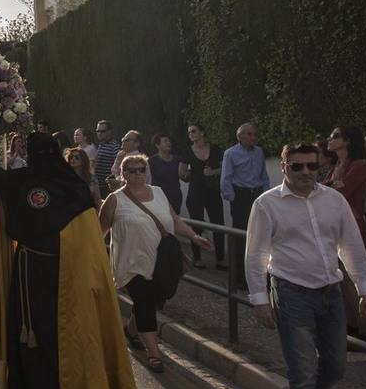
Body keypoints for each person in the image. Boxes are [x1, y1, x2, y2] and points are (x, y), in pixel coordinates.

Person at [0, 104, 140, 389]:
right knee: (68, 335)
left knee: (31, 333)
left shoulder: (19, 181)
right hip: (70, 272)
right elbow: (91, 239)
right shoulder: (75, 187)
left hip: (29, 268)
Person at [246, 142, 366, 389]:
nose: (306, 173)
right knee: (302, 371)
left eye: (312, 167)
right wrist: (260, 298)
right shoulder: (267, 204)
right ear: (285, 166)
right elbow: (256, 253)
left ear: (320, 166)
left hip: (330, 291)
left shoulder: (333, 200)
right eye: (298, 167)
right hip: (291, 293)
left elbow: (350, 245)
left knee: (335, 366)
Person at [100, 153, 212, 372]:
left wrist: (194, 236)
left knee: (154, 300)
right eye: (131, 170)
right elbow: (99, 231)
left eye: (140, 170)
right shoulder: (115, 199)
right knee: (145, 302)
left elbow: (174, 221)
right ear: (122, 173)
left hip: (162, 262)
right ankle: (154, 353)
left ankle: (132, 331)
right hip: (131, 263)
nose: (136, 174)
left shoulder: (159, 193)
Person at [325, 126, 366, 347]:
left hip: (351, 228)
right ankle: (351, 327)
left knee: (353, 279)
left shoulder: (359, 165)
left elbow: (337, 194)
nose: (330, 139)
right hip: (332, 228)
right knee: (340, 280)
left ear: (347, 141)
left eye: (335, 136)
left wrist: (329, 188)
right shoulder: (336, 166)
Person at [221, 122, 270, 290]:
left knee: (259, 234)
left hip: (256, 194)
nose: (253, 138)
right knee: (241, 235)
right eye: (249, 134)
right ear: (240, 137)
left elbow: (263, 174)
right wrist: (232, 197)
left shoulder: (259, 152)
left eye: (255, 134)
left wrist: (266, 194)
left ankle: (259, 274)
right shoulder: (231, 153)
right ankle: (240, 277)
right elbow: (226, 177)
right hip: (240, 195)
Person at [179, 123, 226, 269]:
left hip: (213, 192)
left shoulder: (215, 149)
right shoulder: (187, 151)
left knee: (218, 225)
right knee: (196, 226)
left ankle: (220, 259)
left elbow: (224, 168)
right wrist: (187, 175)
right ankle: (198, 258)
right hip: (195, 193)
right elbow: (181, 174)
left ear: (202, 132)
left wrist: (212, 172)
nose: (191, 134)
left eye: (193, 131)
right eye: (189, 133)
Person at [148, 134, 183, 216]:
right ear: (157, 145)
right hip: (159, 197)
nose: (168, 143)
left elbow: (183, 175)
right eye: (165, 141)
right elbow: (147, 180)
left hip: (175, 196)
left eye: (169, 141)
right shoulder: (151, 161)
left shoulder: (178, 159)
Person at [93, 120, 121, 196]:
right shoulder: (101, 145)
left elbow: (118, 168)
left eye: (102, 131)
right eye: (98, 131)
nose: (99, 134)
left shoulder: (114, 147)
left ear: (109, 132)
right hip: (99, 186)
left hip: (107, 187)